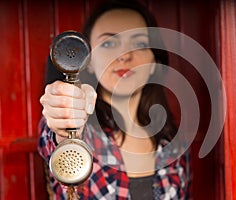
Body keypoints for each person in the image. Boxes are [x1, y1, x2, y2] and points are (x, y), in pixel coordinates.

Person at [38, 0, 191, 199]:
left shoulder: (173, 143)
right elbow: (57, 138)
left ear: (154, 63)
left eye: (139, 43)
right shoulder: (81, 132)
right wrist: (64, 123)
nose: (125, 56)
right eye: (109, 43)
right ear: (89, 63)